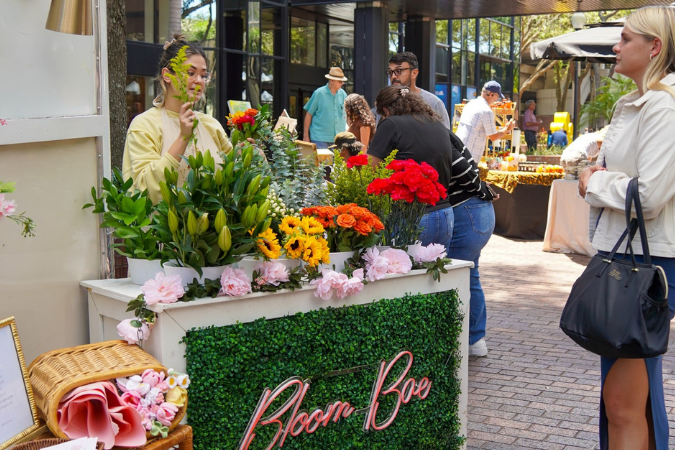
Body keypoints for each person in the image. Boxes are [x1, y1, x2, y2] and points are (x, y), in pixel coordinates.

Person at [577, 6, 675, 449]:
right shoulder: (636, 103)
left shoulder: (662, 105)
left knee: (623, 402)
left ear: (655, 46)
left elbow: (650, 196)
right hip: (631, 255)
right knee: (628, 400)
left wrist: (595, 181)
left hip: (647, 260)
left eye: (627, 38)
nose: (616, 46)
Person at [367, 85, 496, 358]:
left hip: (413, 215)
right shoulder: (438, 125)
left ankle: (406, 349)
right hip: (445, 213)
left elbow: (369, 170)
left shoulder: (391, 125)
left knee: (404, 281)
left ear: (386, 111)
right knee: (437, 281)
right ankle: (443, 344)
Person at [122, 34, 232, 204]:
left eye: (203, 75)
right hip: (163, 228)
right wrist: (183, 138)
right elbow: (144, 189)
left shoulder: (211, 125)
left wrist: (250, 155)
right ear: (167, 75)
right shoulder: (145, 125)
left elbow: (234, 177)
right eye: (190, 73)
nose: (199, 81)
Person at [455, 81, 516, 162]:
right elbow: (493, 137)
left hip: (458, 150)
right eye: (497, 96)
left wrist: (503, 129)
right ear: (491, 94)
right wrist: (507, 129)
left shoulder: (471, 103)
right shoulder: (486, 111)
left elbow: (481, 131)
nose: (496, 99)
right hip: (469, 155)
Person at [387, 52, 451, 129]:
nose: (393, 76)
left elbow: (445, 137)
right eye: (390, 72)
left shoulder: (433, 103)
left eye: (398, 71)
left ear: (414, 73)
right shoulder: (386, 102)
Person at [303, 67, 348, 149]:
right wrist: (306, 136)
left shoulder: (343, 94)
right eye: (340, 81)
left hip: (339, 139)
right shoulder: (319, 93)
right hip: (319, 139)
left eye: (342, 81)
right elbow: (309, 114)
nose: (342, 83)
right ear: (332, 80)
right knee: (322, 162)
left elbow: (346, 115)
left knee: (337, 162)